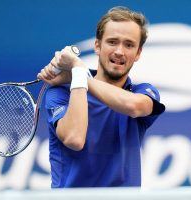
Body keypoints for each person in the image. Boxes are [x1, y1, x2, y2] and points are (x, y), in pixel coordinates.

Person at [37, 6, 165, 188]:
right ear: (97, 45)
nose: (120, 51)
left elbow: (135, 107)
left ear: (138, 53)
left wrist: (79, 74)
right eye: (112, 42)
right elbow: (74, 139)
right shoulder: (61, 92)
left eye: (129, 45)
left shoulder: (142, 92)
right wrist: (78, 77)